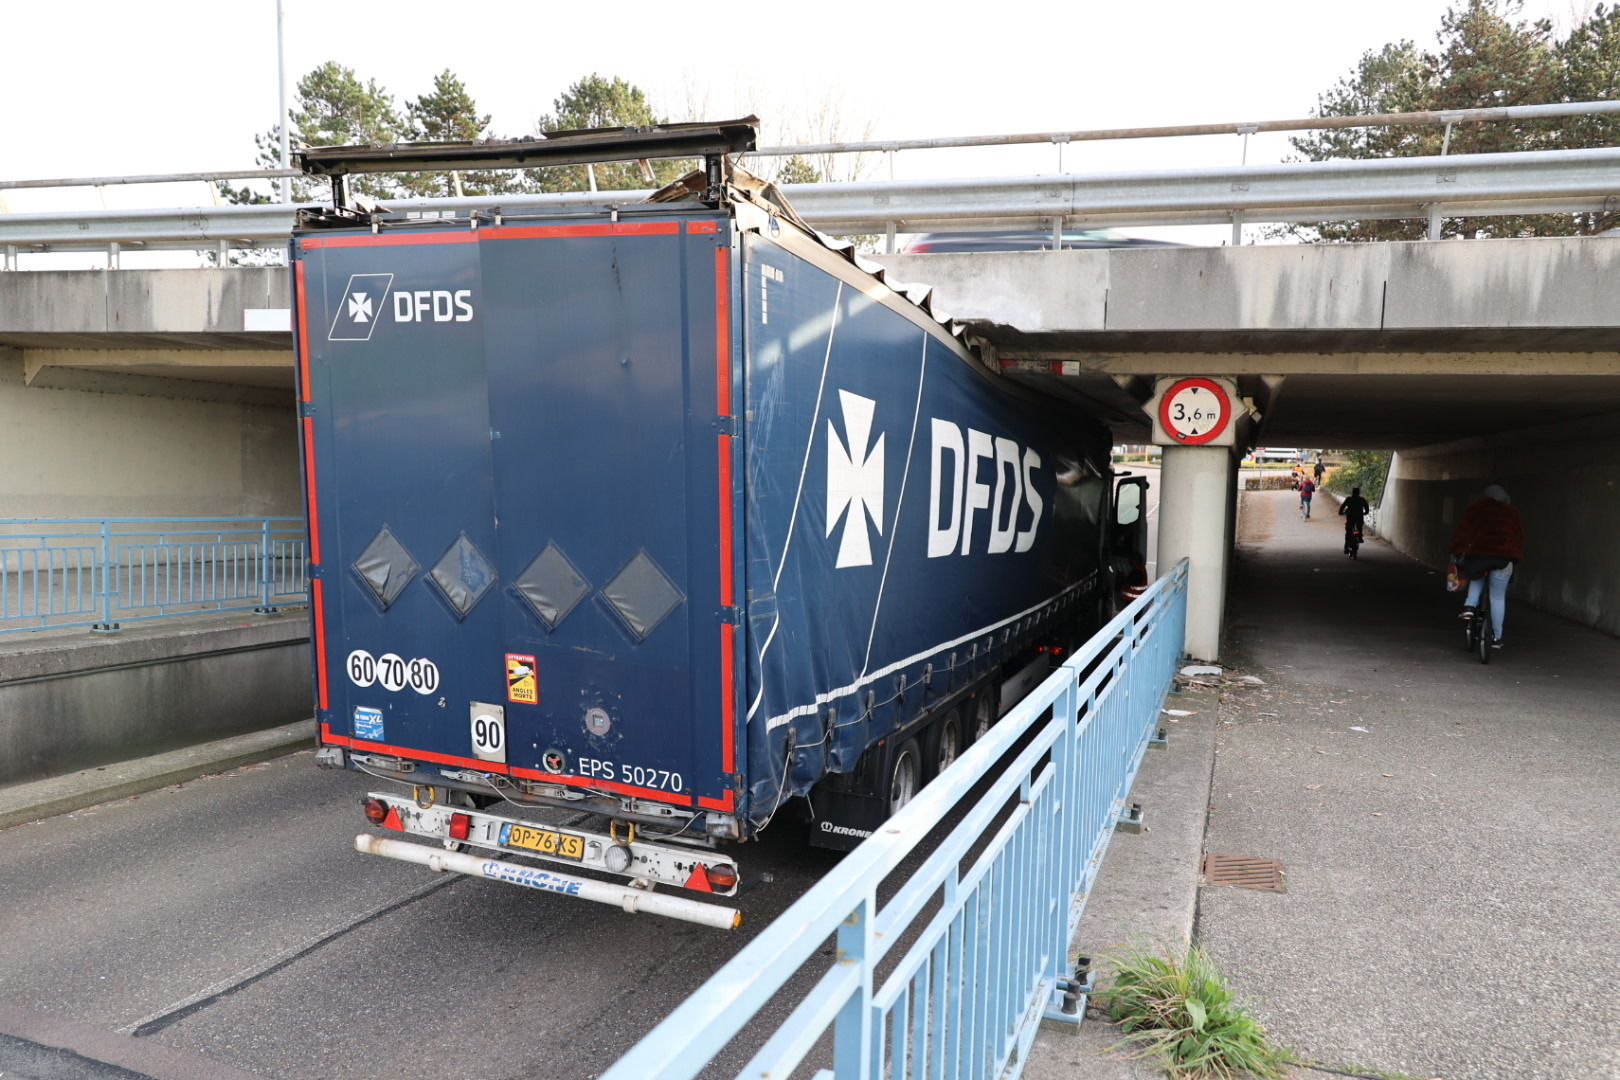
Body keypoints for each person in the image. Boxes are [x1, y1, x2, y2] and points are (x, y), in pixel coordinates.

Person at [1449, 483, 1525, 649]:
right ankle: (1496, 638)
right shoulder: (1512, 513)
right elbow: (1518, 538)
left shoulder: (1475, 510)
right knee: (1497, 597)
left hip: (1478, 556)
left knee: (1476, 576)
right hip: (1503, 559)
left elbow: (1463, 533)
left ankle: (1470, 606)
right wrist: (1515, 556)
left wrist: (1456, 551)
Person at [1339, 486, 1370, 554]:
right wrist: (1366, 512)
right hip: (1359, 517)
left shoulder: (1349, 499)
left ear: (1352, 492)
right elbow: (1366, 507)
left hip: (1351, 517)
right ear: (1358, 493)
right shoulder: (1362, 499)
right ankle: (1359, 536)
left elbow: (1343, 506)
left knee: (1348, 533)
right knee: (1359, 526)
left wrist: (1340, 512)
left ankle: (1346, 548)